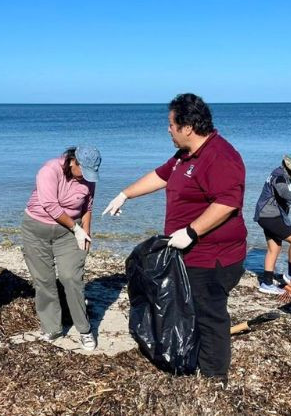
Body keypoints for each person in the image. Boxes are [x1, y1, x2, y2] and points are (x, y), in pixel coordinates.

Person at [102, 93, 246, 384]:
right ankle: (195, 360)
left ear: (187, 127)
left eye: (171, 124)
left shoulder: (219, 156)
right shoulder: (185, 155)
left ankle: (215, 378)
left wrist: (192, 231)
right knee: (191, 309)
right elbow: (161, 175)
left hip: (213, 256)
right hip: (189, 254)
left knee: (209, 315)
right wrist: (125, 194)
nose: (168, 129)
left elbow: (228, 203)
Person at [21, 145, 101, 350]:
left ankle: (84, 330)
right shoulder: (50, 170)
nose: (87, 177)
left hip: (68, 234)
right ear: (74, 161)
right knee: (44, 280)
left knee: (71, 277)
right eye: (84, 171)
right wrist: (76, 229)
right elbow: (50, 205)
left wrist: (86, 232)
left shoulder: (88, 179)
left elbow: (88, 207)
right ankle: (52, 328)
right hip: (36, 231)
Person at [253, 154, 291, 295]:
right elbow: (284, 193)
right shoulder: (280, 177)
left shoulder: (279, 173)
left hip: (264, 215)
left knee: (274, 248)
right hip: (270, 216)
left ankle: (267, 283)